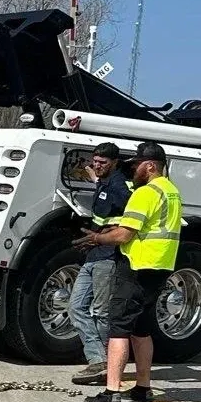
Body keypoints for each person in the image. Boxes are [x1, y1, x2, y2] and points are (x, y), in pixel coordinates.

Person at [76, 142, 182, 402]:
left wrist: (97, 239)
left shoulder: (146, 193)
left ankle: (112, 391)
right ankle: (143, 388)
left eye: (137, 165)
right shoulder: (172, 192)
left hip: (136, 265)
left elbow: (125, 234)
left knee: (119, 328)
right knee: (141, 329)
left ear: (151, 166)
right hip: (160, 267)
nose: (132, 169)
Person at [69, 143, 133, 385]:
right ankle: (98, 360)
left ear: (115, 162)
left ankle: (106, 364)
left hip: (109, 257)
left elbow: (127, 214)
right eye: (95, 161)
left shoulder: (119, 186)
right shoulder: (104, 182)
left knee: (101, 312)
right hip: (94, 255)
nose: (97, 166)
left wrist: (106, 235)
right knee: (76, 307)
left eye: (103, 163)